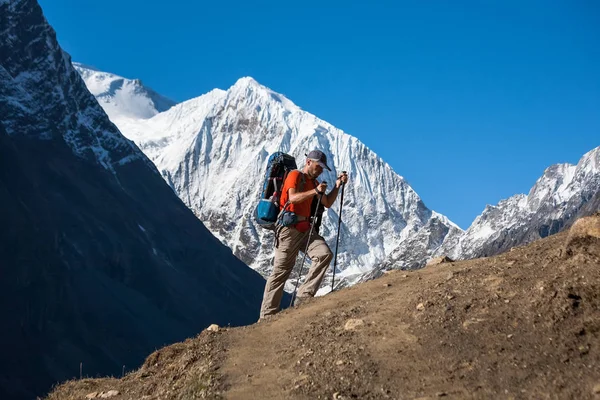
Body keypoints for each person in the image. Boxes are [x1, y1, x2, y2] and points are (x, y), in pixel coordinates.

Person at [259, 149, 349, 319]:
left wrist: (337, 186)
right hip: (288, 229)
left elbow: (327, 202)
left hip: (306, 229)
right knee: (281, 272)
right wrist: (315, 192)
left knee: (324, 255)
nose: (321, 170)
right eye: (318, 166)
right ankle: (266, 317)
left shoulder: (314, 183)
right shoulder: (295, 175)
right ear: (309, 162)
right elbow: (292, 198)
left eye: (322, 167)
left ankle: (304, 298)